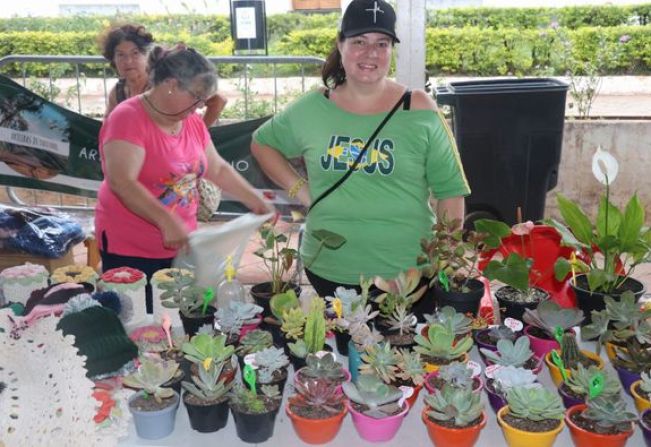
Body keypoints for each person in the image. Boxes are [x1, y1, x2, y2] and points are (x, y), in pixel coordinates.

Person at [251, 0, 470, 298]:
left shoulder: (419, 109)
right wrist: (300, 190)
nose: (371, 53)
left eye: (382, 43)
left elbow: (450, 190)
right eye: (359, 42)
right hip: (330, 269)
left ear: (391, 50)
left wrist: (447, 257)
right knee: (338, 345)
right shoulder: (312, 108)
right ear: (340, 45)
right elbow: (262, 143)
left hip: (408, 274)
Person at [95, 44, 272, 313]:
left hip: (181, 244)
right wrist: (166, 220)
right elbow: (122, 182)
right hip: (131, 246)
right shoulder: (127, 118)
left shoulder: (191, 121)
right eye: (197, 96)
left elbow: (217, 168)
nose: (202, 105)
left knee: (178, 317)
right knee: (139, 319)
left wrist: (255, 199)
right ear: (170, 85)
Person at [100, 24, 227, 126]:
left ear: (146, 55)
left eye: (135, 53)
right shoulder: (118, 92)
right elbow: (107, 128)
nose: (128, 61)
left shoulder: (164, 84)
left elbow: (218, 100)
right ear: (113, 59)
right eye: (120, 55)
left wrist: (199, 135)